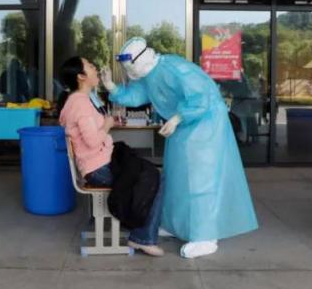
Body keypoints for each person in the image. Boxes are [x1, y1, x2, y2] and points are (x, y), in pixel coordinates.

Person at [101, 37, 258, 259]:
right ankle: (177, 225)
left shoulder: (175, 68)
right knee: (176, 178)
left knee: (200, 181)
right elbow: (138, 95)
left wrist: (177, 118)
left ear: (141, 59)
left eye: (130, 66)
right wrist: (112, 88)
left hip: (205, 126)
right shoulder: (148, 75)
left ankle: (206, 236)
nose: (129, 71)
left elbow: (201, 96)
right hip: (181, 127)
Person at [58, 56, 165, 256]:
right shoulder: (80, 103)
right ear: (81, 76)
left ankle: (143, 230)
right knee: (155, 176)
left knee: (148, 171)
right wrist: (107, 125)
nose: (95, 68)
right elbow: (92, 141)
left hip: (100, 162)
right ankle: (143, 237)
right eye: (90, 65)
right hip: (98, 169)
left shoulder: (81, 99)